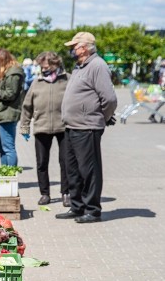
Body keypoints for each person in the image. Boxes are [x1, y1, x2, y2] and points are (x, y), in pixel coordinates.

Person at [57, 32, 118, 223]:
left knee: (89, 171)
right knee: (72, 170)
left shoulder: (97, 66)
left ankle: (92, 210)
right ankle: (77, 206)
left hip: (87, 127)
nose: (71, 50)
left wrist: (103, 117)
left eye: (73, 47)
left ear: (84, 48)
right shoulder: (79, 67)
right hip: (71, 126)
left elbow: (109, 99)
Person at [18, 51, 70, 206]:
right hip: (41, 127)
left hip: (64, 127)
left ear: (56, 64)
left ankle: (66, 193)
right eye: (42, 66)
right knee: (41, 163)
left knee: (66, 162)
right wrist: (25, 126)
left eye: (47, 66)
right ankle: (45, 193)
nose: (44, 69)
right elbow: (26, 106)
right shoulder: (37, 82)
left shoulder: (67, 80)